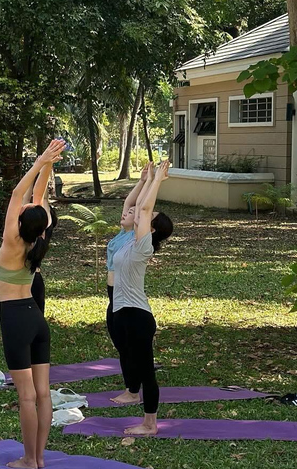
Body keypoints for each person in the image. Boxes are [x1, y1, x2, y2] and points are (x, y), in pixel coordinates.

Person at [0, 139, 66, 469]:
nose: (24, 206)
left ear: (22, 222)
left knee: (26, 396)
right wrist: (48, 163)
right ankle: (38, 458)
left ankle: (29, 459)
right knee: (43, 394)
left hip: (15, 319)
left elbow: (17, 195)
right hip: (36, 320)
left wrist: (40, 161)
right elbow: (35, 199)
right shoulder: (38, 239)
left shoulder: (12, 241)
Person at [111, 160, 173, 435]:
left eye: (145, 218)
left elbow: (145, 208)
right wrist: (147, 180)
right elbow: (137, 208)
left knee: (146, 370)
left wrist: (157, 180)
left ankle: (150, 423)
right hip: (124, 313)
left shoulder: (143, 246)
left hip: (138, 316)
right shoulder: (130, 242)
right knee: (135, 363)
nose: (138, 215)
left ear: (152, 229)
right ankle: (142, 411)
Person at [105, 163, 149, 404]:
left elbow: (141, 206)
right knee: (120, 342)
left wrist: (153, 184)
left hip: (123, 294)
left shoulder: (136, 236)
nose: (125, 213)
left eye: (131, 214)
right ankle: (131, 386)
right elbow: (130, 203)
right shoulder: (122, 234)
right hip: (112, 294)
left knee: (127, 343)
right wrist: (141, 181)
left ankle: (133, 391)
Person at [22, 161, 59, 315]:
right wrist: (44, 165)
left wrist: (43, 166)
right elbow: (31, 198)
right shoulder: (32, 228)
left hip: (29, 281)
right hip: (31, 280)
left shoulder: (28, 231)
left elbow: (36, 197)